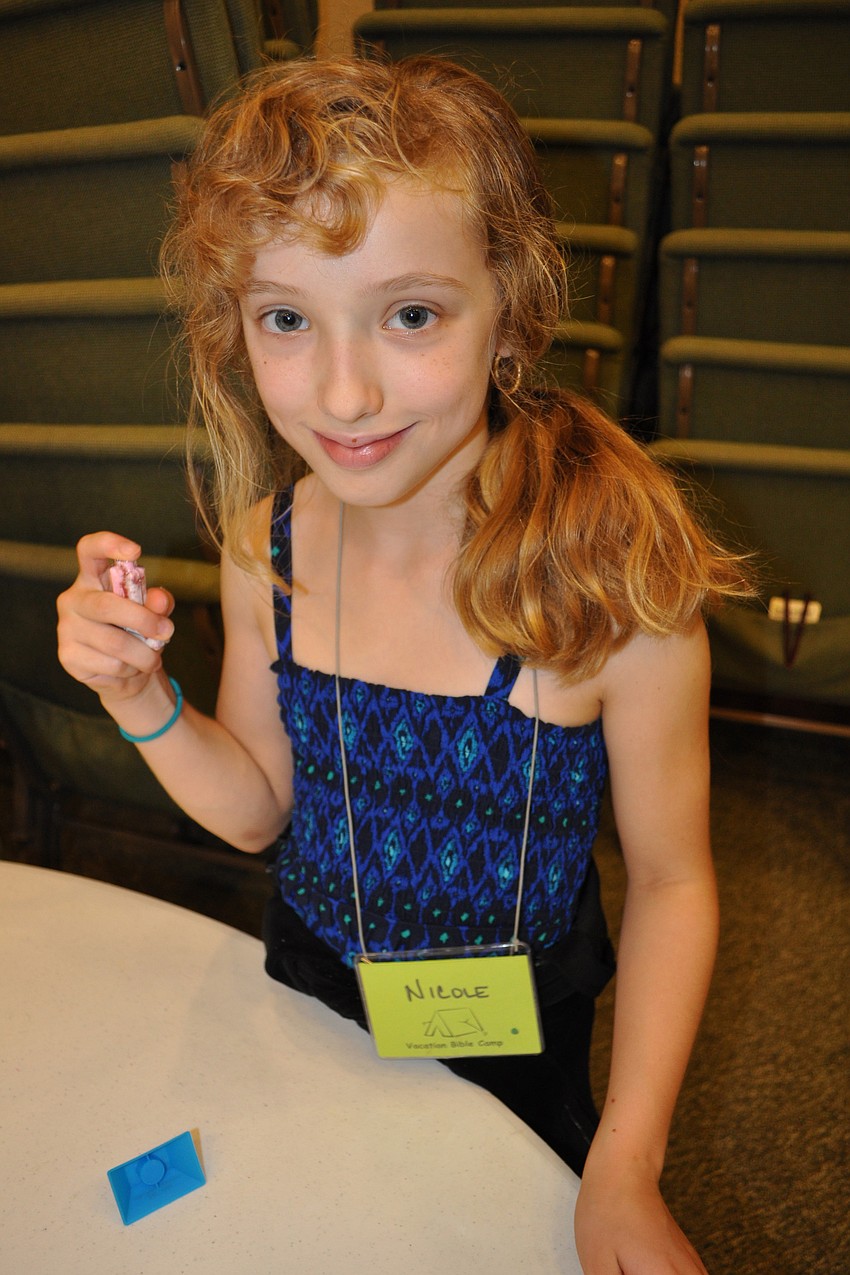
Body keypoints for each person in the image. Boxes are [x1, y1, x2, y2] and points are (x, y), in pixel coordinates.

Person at [57, 55, 749, 1273]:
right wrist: (140, 698)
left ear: (512, 307)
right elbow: (262, 808)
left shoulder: (613, 591)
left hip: (518, 1030)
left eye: (411, 314)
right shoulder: (265, 544)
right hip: (311, 984)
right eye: (286, 318)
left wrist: (626, 1164)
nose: (343, 390)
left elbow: (675, 885)